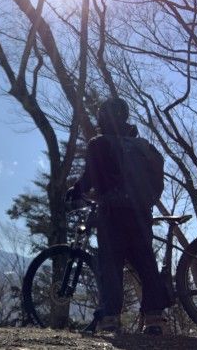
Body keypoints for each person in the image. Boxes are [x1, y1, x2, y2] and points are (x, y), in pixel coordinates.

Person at [66, 98, 170, 335]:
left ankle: (111, 318)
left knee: (111, 265)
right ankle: (154, 319)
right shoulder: (143, 145)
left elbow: (91, 175)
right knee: (145, 263)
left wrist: (76, 191)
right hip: (141, 213)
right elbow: (156, 181)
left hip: (112, 212)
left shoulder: (99, 143)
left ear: (105, 117)